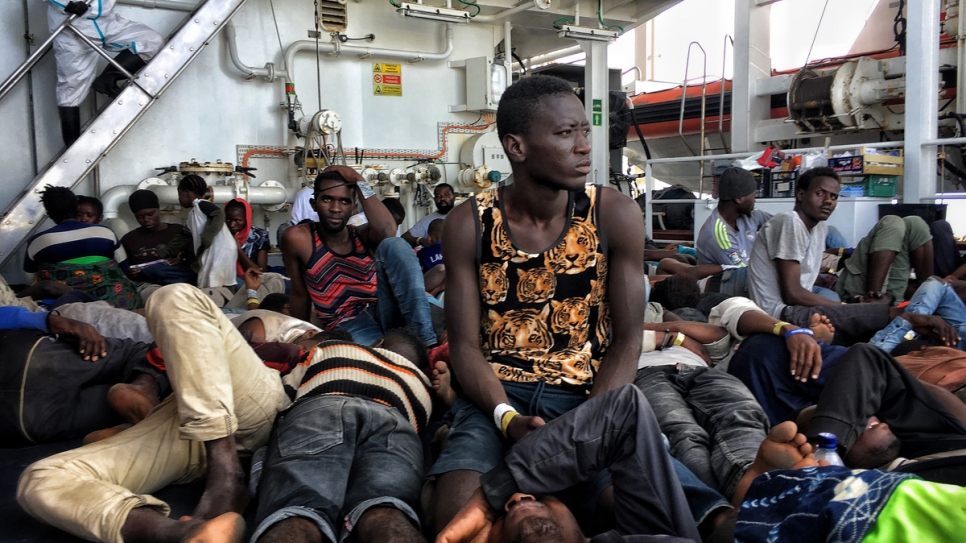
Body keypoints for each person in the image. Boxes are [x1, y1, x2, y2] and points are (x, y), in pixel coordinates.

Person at [425, 75, 647, 534]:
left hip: (588, 398)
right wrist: (506, 419)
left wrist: (586, 429)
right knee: (455, 516)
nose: (584, 146)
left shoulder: (614, 213)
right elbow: (465, 346)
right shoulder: (469, 223)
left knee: (632, 509)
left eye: (584, 131)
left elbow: (628, 340)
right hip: (498, 397)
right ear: (517, 147)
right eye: (566, 134)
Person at [17, 283, 290, 543]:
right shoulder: (231, 323)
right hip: (188, 418)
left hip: (251, 401)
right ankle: (183, 534)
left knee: (173, 296)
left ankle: (226, 474)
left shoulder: (296, 333)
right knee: (40, 478)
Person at [438, 385, 823, 543]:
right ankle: (729, 518)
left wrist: (493, 494)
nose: (518, 499)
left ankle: (727, 520)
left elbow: (622, 409)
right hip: (504, 396)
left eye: (540, 495)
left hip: (586, 395)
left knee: (662, 443)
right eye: (505, 513)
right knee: (676, 439)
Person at [249, 328, 433, 543]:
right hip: (395, 422)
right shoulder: (422, 384)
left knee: (297, 515)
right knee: (386, 514)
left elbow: (283, 397)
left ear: (379, 343)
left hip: (324, 406)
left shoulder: (331, 348)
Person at [281, 165, 437, 347]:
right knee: (388, 358)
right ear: (314, 204)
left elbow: (388, 230)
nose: (336, 208)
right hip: (347, 323)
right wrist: (297, 339)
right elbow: (300, 295)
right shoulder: (298, 238)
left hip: (383, 310)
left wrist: (359, 180)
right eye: (327, 199)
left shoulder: (362, 235)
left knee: (394, 244)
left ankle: (428, 344)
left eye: (344, 201)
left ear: (354, 208)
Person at [746, 167, 895, 345]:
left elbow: (804, 280)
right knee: (876, 317)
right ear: (801, 195)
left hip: (800, 308)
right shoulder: (789, 221)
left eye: (833, 197)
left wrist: (851, 300)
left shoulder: (820, 228)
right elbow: (792, 294)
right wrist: (847, 308)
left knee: (870, 319)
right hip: (779, 314)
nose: (828, 201)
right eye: (820, 193)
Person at [800, 342, 966, 467]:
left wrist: (820, 456)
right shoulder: (863, 490)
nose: (868, 416)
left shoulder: (939, 434)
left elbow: (868, 359)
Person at [47, 0, 164, 145]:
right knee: (72, 87)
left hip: (106, 21)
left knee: (151, 40)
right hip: (73, 27)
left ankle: (108, 79)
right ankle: (71, 147)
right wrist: (68, 4)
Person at [26, 185, 141, 309]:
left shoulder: (36, 241)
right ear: (76, 207)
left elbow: (30, 281)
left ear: (48, 213)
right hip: (116, 303)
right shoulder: (106, 233)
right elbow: (123, 267)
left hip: (69, 309)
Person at [155, 174, 237, 290]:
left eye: (180, 195)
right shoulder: (193, 214)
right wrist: (167, 250)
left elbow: (218, 214)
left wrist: (207, 236)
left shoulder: (202, 204)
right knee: (213, 282)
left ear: (187, 193)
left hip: (221, 250)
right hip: (215, 251)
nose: (179, 199)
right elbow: (184, 236)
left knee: (216, 284)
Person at [834, 214, 933, 303]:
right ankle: (873, 300)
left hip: (891, 295)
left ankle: (928, 293)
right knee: (893, 222)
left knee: (915, 223)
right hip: (855, 291)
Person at [120, 189, 196, 288]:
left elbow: (195, 262)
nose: (146, 220)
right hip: (147, 286)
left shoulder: (178, 231)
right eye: (140, 217)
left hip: (178, 281)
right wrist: (131, 272)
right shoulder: (129, 239)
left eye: (150, 214)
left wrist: (181, 262)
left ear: (159, 210)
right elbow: (123, 271)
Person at [224, 198, 270, 275]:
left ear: (246, 219)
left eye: (237, 220)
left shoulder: (260, 235)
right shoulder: (221, 235)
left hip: (254, 280)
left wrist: (238, 249)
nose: (232, 225)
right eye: (228, 220)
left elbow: (261, 271)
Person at [402, 183, 456, 247]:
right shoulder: (427, 220)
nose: (442, 198)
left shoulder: (464, 215)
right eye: (438, 196)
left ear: (454, 197)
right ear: (434, 199)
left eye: (446, 195)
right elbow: (404, 238)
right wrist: (420, 240)